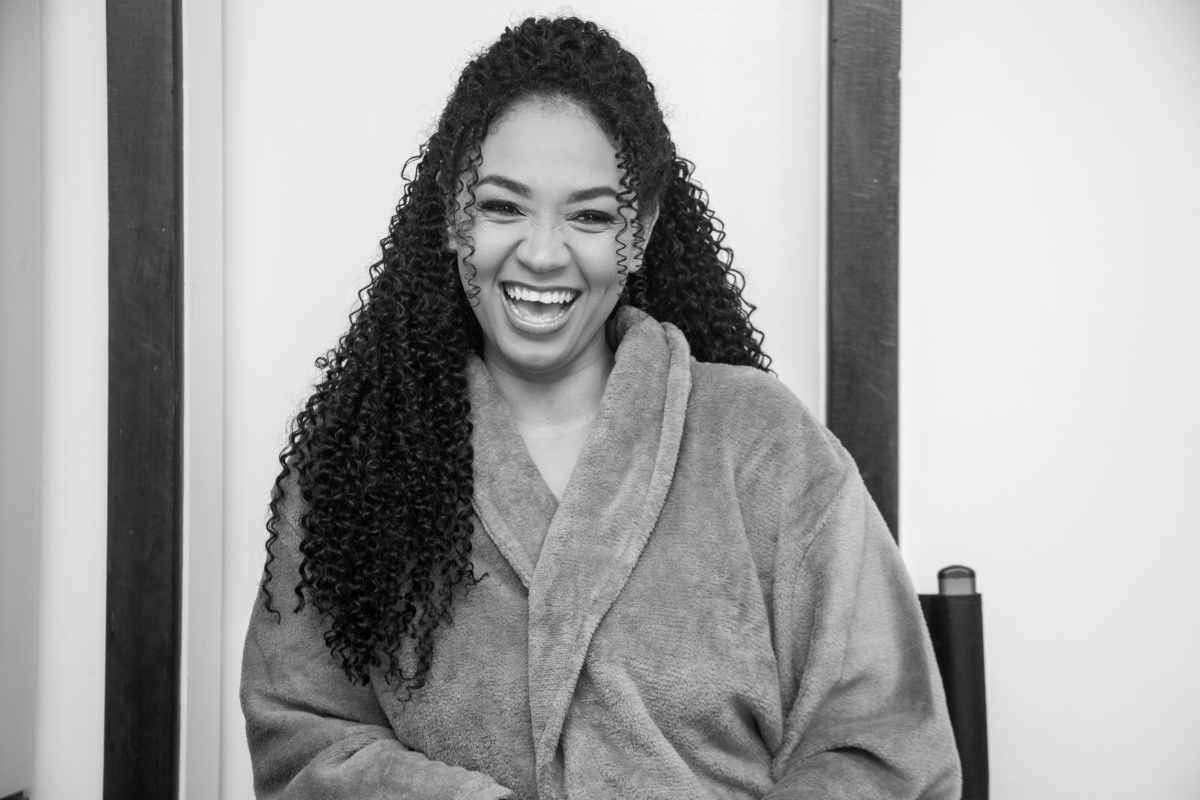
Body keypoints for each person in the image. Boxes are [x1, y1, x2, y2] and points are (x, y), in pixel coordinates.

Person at [241, 16, 961, 800]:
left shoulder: (765, 447)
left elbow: (884, 750)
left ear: (639, 231)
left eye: (589, 216)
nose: (542, 253)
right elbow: (303, 740)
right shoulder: (356, 461)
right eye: (503, 207)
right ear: (453, 215)